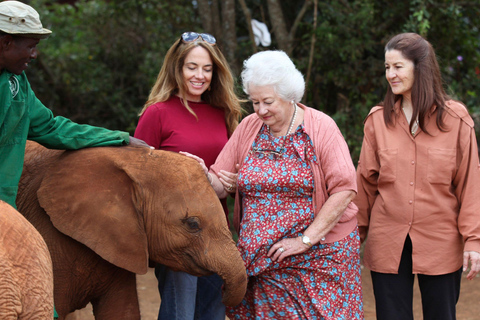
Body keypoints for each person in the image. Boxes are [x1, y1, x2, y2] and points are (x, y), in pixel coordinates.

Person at [185, 50, 364, 319]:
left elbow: (345, 189)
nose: (260, 110)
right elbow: (220, 184)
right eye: (255, 102)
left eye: (268, 101)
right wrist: (202, 174)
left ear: (288, 94)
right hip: (259, 260)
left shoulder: (321, 128)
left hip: (318, 258)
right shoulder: (249, 127)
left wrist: (305, 240)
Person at [355, 32, 480, 320]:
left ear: (419, 67)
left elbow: (470, 185)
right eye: (387, 67)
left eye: (398, 67)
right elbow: (364, 185)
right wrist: (354, 237)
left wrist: (473, 240)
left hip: (441, 242)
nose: (390, 74)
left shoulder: (456, 120)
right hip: (388, 242)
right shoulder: (377, 121)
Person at [133, 31, 242, 320]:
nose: (199, 75)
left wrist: (231, 182)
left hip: (217, 234)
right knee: (180, 315)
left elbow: (232, 171)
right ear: (177, 68)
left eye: (207, 69)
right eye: (192, 67)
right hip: (176, 236)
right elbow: (138, 178)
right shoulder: (157, 113)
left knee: (213, 314)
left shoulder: (224, 113)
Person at [0, 0, 149, 210]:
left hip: (5, 209)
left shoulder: (16, 82)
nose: (34, 55)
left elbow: (50, 128)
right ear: (6, 43)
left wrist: (118, 138)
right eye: (31, 46)